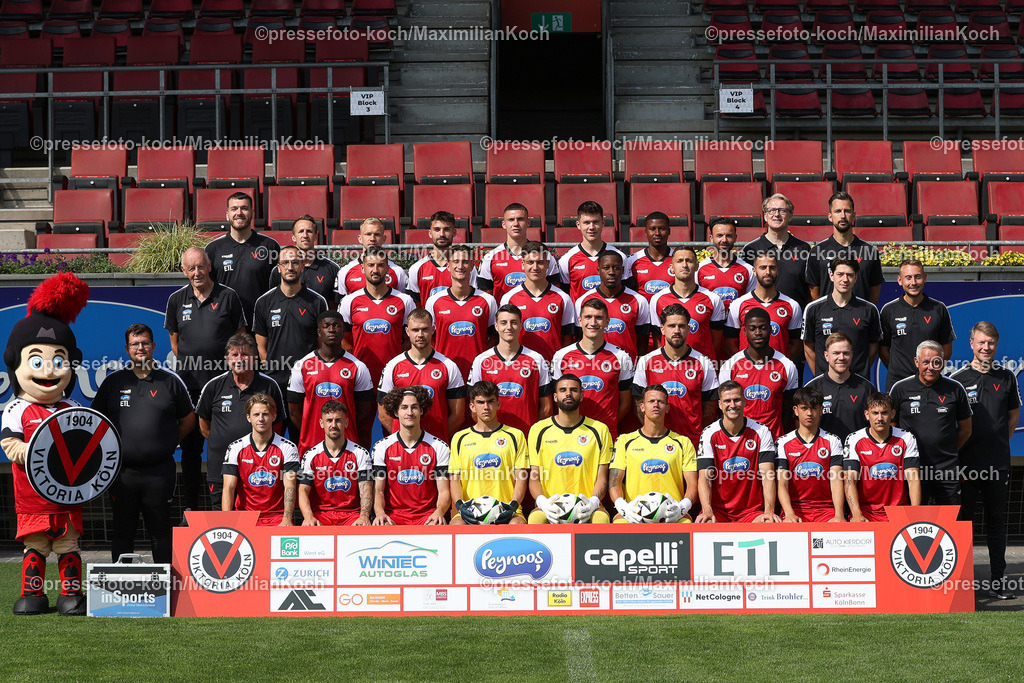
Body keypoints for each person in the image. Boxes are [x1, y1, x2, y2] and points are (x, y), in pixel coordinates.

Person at [2, 272, 89, 615]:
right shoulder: (17, 408)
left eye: (58, 360)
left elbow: (90, 448)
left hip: (67, 496)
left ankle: (71, 595)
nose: (49, 370)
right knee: (36, 547)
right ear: (18, 363)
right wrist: (38, 451)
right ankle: (33, 595)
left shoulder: (73, 408)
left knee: (68, 545)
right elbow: (10, 445)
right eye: (37, 361)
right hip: (32, 498)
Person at [91, 324, 195, 564]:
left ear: (153, 346)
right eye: (135, 344)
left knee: (160, 530)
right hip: (121, 472)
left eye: (145, 343)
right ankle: (121, 591)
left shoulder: (170, 381)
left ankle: (166, 589)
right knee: (122, 530)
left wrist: (169, 442)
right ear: (127, 349)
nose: (141, 348)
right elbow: (96, 421)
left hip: (159, 473)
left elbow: (189, 420)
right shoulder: (113, 382)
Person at [165, 246, 246, 509]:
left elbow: (240, 339)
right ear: (183, 271)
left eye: (201, 266)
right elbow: (176, 343)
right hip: (189, 389)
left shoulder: (229, 297)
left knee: (227, 450)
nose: (197, 272)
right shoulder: (176, 300)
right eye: (191, 268)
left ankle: (233, 508)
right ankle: (190, 507)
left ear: (210, 266)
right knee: (190, 452)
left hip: (224, 388)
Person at [951, 321, 1021, 599]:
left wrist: (997, 441)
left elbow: (1013, 417)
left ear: (996, 344)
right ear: (971, 344)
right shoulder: (957, 379)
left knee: (996, 522)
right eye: (981, 342)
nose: (986, 348)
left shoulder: (1007, 377)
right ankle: (962, 580)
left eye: (991, 343)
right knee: (963, 522)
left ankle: (997, 580)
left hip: (997, 464)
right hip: (966, 465)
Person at [196, 333, 286, 509]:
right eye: (234, 355)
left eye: (244, 354)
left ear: (254, 357)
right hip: (220, 468)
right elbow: (204, 425)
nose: (239, 359)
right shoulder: (213, 386)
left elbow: (277, 426)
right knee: (222, 521)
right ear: (227, 359)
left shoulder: (269, 386)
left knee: (259, 521)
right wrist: (224, 442)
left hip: (260, 471)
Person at [253, 245, 329, 441]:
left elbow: (323, 345)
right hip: (274, 385)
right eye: (285, 262)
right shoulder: (263, 303)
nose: (290, 267)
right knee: (271, 442)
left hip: (306, 384)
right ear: (278, 267)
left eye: (295, 262)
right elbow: (261, 347)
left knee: (304, 440)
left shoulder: (317, 302)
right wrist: (270, 372)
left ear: (302, 266)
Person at [890, 341, 972, 506]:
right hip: (912, 468)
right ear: (916, 362)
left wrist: (947, 450)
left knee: (950, 520)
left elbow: (966, 430)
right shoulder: (900, 389)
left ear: (943, 363)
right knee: (915, 520)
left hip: (947, 468)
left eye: (936, 362)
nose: (931, 367)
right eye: (926, 362)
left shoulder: (955, 389)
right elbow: (891, 426)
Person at [527, 375, 612, 524]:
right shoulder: (538, 430)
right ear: (555, 396)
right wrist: (543, 503)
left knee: (601, 519)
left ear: (582, 396)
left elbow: (602, 477)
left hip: (586, 506)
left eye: (574, 390)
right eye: (562, 390)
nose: (568, 394)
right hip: (551, 506)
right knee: (535, 519)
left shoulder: (600, 430)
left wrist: (593, 502)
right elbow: (534, 477)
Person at [632, 303, 718, 450]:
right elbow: (639, 403)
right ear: (662, 330)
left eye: (682, 326)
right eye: (671, 326)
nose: (677, 331)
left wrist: (695, 433)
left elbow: (710, 408)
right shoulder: (646, 361)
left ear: (689, 329)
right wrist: (653, 432)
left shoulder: (704, 362)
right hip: (656, 442)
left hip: (692, 443)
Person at [288, 311, 375, 457]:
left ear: (343, 331)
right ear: (318, 331)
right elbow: (294, 411)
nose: (332, 329)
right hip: (311, 446)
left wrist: (342, 430)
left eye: (336, 326)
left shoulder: (358, 366)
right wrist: (313, 429)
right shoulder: (302, 365)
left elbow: (365, 411)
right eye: (326, 326)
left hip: (347, 446)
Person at [610, 384, 698, 523]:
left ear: (667, 408)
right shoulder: (624, 441)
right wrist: (623, 507)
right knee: (618, 522)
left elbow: (693, 484)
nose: (656, 404)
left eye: (661, 401)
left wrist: (682, 507)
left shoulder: (683, 442)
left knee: (687, 523)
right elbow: (614, 481)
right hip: (635, 512)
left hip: (671, 513)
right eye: (651, 401)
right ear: (642, 407)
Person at [695, 380, 778, 523]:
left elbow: (767, 475)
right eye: (727, 401)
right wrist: (707, 510)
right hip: (719, 511)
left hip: (752, 512)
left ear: (745, 402)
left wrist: (769, 511)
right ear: (720, 405)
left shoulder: (761, 431)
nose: (732, 405)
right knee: (706, 522)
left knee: (769, 522)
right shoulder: (709, 433)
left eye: (737, 400)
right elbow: (705, 478)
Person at [378, 308, 465, 442]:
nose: (420, 334)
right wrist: (403, 438)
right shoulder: (393, 366)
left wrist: (437, 441)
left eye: (425, 329)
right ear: (407, 331)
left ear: (433, 330)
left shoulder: (449, 366)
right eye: (415, 330)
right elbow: (383, 414)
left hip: (436, 449)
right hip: (401, 447)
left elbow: (458, 415)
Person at [551, 299, 634, 439]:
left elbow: (625, 402)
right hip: (570, 433)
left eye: (599, 318)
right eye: (588, 317)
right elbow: (556, 398)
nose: (593, 323)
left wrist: (607, 425)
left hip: (605, 435)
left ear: (607, 322)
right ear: (580, 320)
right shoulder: (561, 356)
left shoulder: (621, 357)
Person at [449, 381, 529, 525]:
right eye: (480, 402)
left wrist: (513, 506)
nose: (486, 407)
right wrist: (460, 507)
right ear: (472, 406)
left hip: (506, 509)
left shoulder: (515, 435)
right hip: (471, 509)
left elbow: (521, 477)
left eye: (490, 401)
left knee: (517, 524)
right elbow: (455, 478)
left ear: (498, 404)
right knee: (457, 525)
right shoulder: (459, 438)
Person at [372, 386, 451, 525]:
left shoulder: (439, 447)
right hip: (394, 515)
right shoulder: (381, 447)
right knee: (381, 524)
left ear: (421, 410)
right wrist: (380, 513)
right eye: (404, 407)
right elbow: (378, 491)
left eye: (414, 407)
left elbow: (444, 491)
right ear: (396, 412)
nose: (410, 412)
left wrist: (439, 511)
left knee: (437, 524)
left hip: (427, 516)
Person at [337, 246, 416, 384]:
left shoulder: (404, 301)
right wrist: (357, 364)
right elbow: (343, 340)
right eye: (370, 265)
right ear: (362, 268)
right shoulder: (349, 301)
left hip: (396, 376)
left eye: (380, 265)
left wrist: (398, 363)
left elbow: (411, 340)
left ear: (387, 269)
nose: (375, 270)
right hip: (362, 377)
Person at [469, 304, 553, 434]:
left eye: (513, 322)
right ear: (496, 326)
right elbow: (474, 408)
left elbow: (546, 407)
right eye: (504, 323)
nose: (509, 327)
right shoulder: (481, 361)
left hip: (526, 437)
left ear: (521, 325)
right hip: (492, 438)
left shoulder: (537, 359)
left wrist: (535, 434)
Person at [719, 307, 799, 439]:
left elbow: (787, 410)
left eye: (762, 328)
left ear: (771, 330)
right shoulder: (730, 366)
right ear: (744, 331)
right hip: (741, 440)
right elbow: (724, 409)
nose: (758, 332)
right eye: (752, 328)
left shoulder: (787, 365)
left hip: (774, 440)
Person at [221, 394, 300, 526]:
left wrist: (286, 519)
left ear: (274, 417)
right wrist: (228, 522)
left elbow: (290, 487)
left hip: (277, 517)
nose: (261, 419)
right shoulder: (235, 448)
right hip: (245, 516)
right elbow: (228, 487)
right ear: (248, 418)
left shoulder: (288, 447)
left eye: (266, 414)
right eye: (256, 414)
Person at [879, 259, 956, 391]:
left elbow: (946, 351)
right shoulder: (888, 310)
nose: (913, 283)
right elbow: (882, 349)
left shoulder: (938, 309)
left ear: (925, 278)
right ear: (899, 280)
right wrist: (898, 369)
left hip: (931, 384)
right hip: (898, 383)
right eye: (908, 278)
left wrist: (930, 372)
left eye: (917, 277)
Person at [844, 392, 921, 522]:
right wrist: (857, 514)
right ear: (867, 415)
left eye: (884, 413)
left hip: (899, 511)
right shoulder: (854, 439)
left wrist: (914, 515)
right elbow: (849, 480)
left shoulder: (906, 437)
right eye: (875, 413)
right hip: (866, 513)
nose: (880, 418)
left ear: (892, 414)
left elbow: (913, 480)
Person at [204, 191, 280, 324]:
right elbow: (207, 289)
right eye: (234, 209)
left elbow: (279, 287)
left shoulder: (270, 246)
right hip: (225, 322)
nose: (239, 213)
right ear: (227, 215)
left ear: (252, 214)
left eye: (244, 208)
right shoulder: (213, 249)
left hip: (260, 323)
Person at [424, 244, 498, 378]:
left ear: (471, 266)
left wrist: (482, 359)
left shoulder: (487, 300)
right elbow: (430, 338)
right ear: (448, 266)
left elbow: (494, 337)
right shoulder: (434, 301)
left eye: (465, 262)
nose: (460, 266)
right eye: (456, 261)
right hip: (444, 371)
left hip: (478, 371)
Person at [801, 257, 881, 377]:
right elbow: (808, 348)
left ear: (856, 277)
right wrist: (821, 377)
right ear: (831, 275)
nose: (845, 279)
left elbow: (873, 348)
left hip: (858, 384)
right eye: (840, 274)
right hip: (824, 386)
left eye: (849, 275)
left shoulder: (869, 309)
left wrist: (858, 373)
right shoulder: (813, 309)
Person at [775, 387, 845, 523]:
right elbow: (782, 483)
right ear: (795, 410)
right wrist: (789, 513)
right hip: (795, 509)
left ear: (821, 410)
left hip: (826, 510)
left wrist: (839, 515)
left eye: (813, 408)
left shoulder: (832, 440)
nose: (809, 413)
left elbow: (836, 481)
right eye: (804, 408)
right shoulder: (783, 442)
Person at [297, 401, 373, 526]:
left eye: (338, 420)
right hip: (321, 515)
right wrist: (308, 517)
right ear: (321, 423)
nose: (333, 425)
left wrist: (364, 516)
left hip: (352, 516)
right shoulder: (310, 455)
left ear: (346, 423)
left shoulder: (360, 453)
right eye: (329, 420)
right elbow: (303, 490)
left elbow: (366, 489)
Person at [805, 191, 884, 305]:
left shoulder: (870, 252)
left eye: (847, 211)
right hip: (827, 320)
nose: (843, 216)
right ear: (830, 216)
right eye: (838, 211)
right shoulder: (817, 252)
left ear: (853, 215)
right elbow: (814, 295)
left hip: (860, 319)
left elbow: (874, 296)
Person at [500, 240, 574, 361]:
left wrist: (560, 362)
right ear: (523, 264)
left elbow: (568, 337)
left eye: (540, 262)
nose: (535, 267)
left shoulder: (563, 298)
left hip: (552, 367)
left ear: (548, 264)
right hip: (520, 366)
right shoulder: (509, 298)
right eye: (530, 262)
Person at [649, 246, 725, 360]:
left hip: (702, 367)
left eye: (689, 261)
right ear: (672, 267)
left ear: (696, 266)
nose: (684, 265)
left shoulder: (713, 299)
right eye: (679, 261)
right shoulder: (657, 299)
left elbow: (717, 342)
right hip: (670, 367)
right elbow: (658, 339)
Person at [725, 252, 802, 364]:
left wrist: (781, 364)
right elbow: (729, 343)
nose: (767, 272)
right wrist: (745, 363)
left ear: (778, 270)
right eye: (763, 267)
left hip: (777, 373)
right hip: (747, 371)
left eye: (772, 268)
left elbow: (797, 343)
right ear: (754, 271)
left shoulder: (792, 305)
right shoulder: (738, 304)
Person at [574, 250, 651, 360]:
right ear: (598, 270)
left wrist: (637, 365)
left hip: (627, 366)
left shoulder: (638, 300)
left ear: (623, 270)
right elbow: (579, 338)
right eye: (606, 268)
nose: (611, 272)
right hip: (595, 365)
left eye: (616, 268)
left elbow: (642, 341)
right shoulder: (583, 301)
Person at [739, 193, 812, 308]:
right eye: (772, 210)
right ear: (765, 216)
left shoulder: (804, 248)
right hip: (761, 318)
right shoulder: (750, 249)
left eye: (782, 210)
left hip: (795, 318)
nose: (776, 214)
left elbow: (811, 288)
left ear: (790, 216)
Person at [478, 202, 561, 302]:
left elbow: (556, 292)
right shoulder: (490, 257)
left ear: (528, 223)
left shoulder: (544, 255)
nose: (516, 224)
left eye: (520, 219)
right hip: (505, 316)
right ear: (504, 224)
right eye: (511, 220)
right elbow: (485, 296)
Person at [805, 332, 873, 442]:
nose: (841, 358)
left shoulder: (866, 388)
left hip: (857, 454)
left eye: (845, 353)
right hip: (823, 454)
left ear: (851, 355)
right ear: (826, 356)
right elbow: (803, 427)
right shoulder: (812, 388)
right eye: (836, 353)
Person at [558, 200, 631, 302]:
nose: (591, 227)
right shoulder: (566, 260)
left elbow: (627, 292)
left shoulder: (619, 257)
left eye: (596, 222)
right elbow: (565, 297)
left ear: (603, 223)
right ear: (578, 225)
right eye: (586, 223)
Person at [407, 210, 477, 305]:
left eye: (447, 229)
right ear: (430, 233)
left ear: (455, 232)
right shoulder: (416, 268)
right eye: (437, 229)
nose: (441, 234)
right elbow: (415, 306)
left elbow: (474, 300)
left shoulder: (465, 268)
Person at [269, 214, 340, 308]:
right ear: (293, 237)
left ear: (315, 236)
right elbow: (274, 301)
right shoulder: (280, 269)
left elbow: (334, 306)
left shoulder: (332, 268)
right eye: (301, 231)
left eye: (309, 231)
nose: (305, 235)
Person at [335, 217, 408, 297]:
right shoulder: (345, 272)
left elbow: (402, 302)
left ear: (384, 239)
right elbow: (341, 305)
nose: (372, 239)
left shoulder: (398, 272)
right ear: (360, 239)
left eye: (377, 234)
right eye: (368, 234)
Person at [697, 218, 754, 312]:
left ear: (735, 238)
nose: (724, 240)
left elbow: (751, 302)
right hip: (711, 325)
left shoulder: (748, 269)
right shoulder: (699, 269)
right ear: (711, 238)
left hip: (737, 325)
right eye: (719, 235)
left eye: (729, 236)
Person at [624, 211, 674, 300]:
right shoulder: (632, 261)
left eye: (662, 228)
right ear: (646, 232)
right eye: (652, 229)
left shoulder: (678, 259)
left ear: (669, 231)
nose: (657, 233)